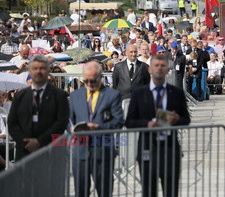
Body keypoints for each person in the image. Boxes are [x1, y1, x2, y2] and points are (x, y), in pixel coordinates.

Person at [126, 54, 191, 197]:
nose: (160, 69)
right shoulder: (139, 93)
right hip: (147, 148)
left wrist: (177, 120)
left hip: (170, 150)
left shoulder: (176, 93)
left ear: (168, 69)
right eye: (156, 65)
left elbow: (186, 119)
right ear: (149, 69)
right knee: (149, 191)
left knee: (171, 191)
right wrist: (146, 124)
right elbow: (129, 121)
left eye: (163, 66)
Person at [70, 61, 124, 197]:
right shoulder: (75, 95)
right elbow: (68, 119)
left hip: (103, 152)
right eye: (86, 80)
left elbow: (118, 122)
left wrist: (99, 127)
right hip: (80, 152)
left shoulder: (112, 95)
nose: (89, 83)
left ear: (100, 77)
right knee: (80, 192)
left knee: (104, 191)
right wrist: (71, 128)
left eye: (92, 80)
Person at [8, 55, 69, 161]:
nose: (38, 71)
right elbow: (12, 122)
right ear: (30, 71)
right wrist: (25, 142)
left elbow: (61, 123)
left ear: (48, 71)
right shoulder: (20, 96)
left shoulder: (60, 96)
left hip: (49, 151)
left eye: (42, 68)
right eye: (35, 68)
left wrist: (39, 142)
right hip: (24, 152)